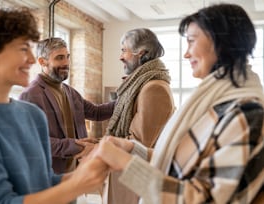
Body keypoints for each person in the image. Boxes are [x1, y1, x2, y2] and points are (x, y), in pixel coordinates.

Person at [90, 3, 264, 204]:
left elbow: (203, 199)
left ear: (220, 42)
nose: (186, 54)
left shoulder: (247, 114)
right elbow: (185, 162)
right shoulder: (217, 103)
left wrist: (126, 163)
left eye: (191, 41)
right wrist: (132, 149)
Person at [0, 8, 108, 204]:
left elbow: (44, 182)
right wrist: (77, 185)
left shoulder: (33, 115)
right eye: (22, 49)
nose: (31, 59)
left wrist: (90, 171)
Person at [98, 28, 175, 204]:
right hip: (124, 177)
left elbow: (139, 145)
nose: (120, 56)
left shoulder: (153, 88)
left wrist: (99, 146)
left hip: (134, 183)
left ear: (141, 53)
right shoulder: (139, 84)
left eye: (124, 50)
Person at [19, 37, 115, 174]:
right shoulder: (30, 95)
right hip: (49, 175)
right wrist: (75, 146)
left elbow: (96, 112)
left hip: (74, 172)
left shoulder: (69, 92)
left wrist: (129, 97)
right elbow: (33, 141)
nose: (66, 63)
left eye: (67, 57)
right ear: (42, 61)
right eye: (59, 58)